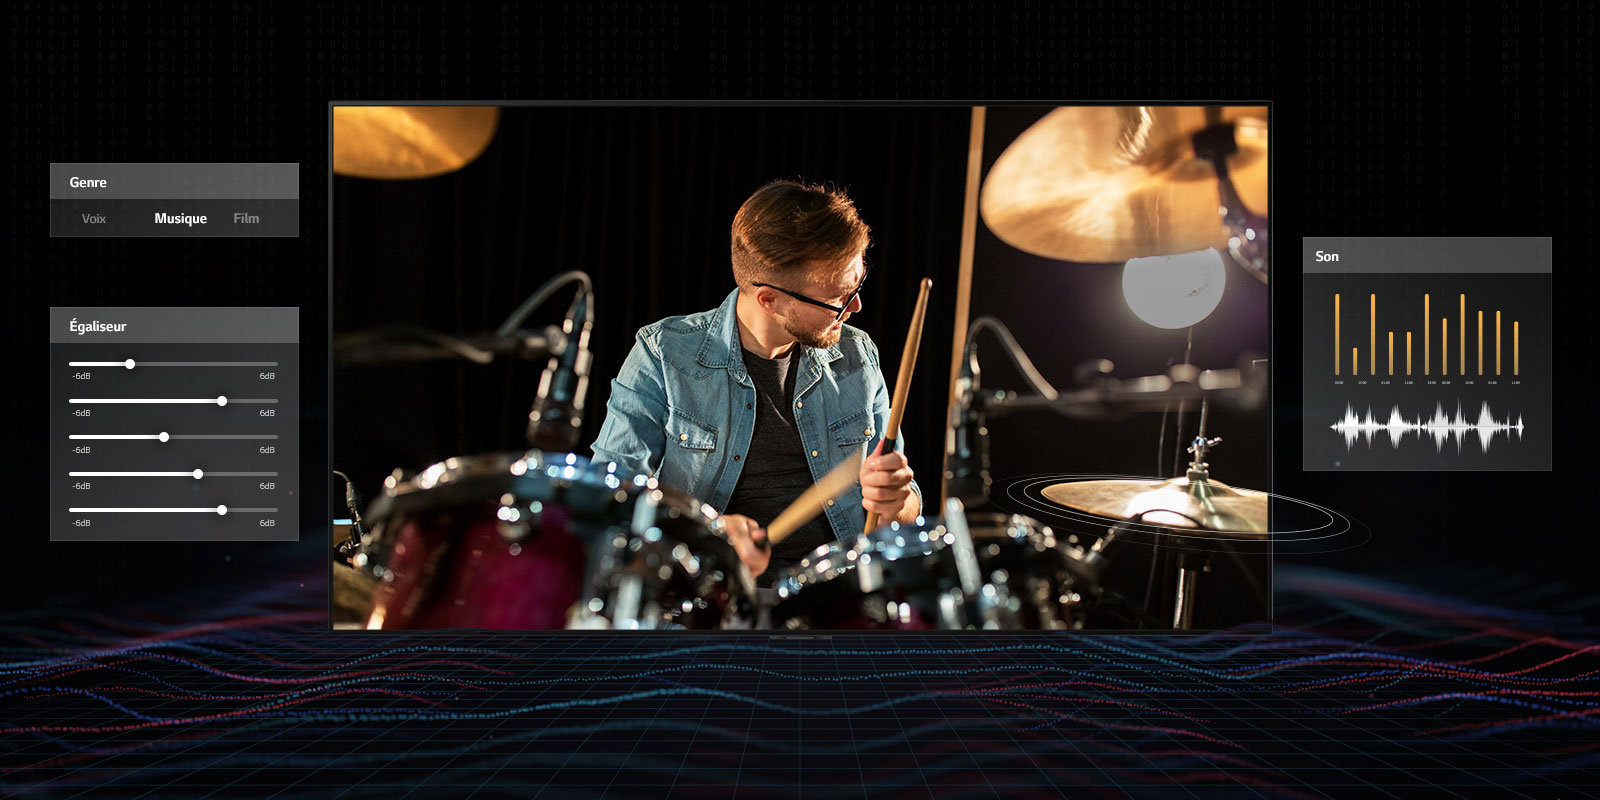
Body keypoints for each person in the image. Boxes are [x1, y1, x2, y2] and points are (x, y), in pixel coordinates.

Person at [591, 179, 922, 586]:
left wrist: (898, 500)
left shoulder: (858, 355)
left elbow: (905, 506)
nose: (855, 306)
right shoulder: (662, 354)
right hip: (713, 591)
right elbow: (606, 502)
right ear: (770, 299)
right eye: (838, 297)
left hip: (839, 594)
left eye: (857, 285)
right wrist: (705, 532)